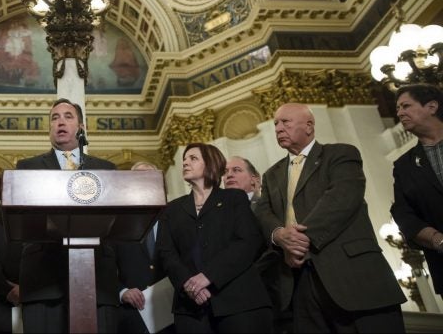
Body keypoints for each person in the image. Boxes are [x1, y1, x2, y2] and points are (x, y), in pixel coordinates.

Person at [254, 102, 406, 333]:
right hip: (299, 283)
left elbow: (341, 199)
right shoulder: (271, 175)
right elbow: (264, 212)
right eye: (275, 123)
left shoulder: (341, 154)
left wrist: (298, 241)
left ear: (309, 126)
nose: (278, 128)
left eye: (285, 122)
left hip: (353, 277)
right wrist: (278, 234)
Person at [15, 98, 118, 333]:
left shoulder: (106, 169)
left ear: (81, 127)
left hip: (97, 280)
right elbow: (20, 221)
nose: (60, 122)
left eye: (68, 117)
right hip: (43, 281)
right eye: (55, 118)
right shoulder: (27, 168)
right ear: (50, 128)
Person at [158, 143, 272, 333]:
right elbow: (166, 252)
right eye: (184, 159)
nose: (185, 163)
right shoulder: (172, 209)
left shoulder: (234, 198)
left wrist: (209, 276)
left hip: (240, 302)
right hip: (191, 309)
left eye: (193, 158)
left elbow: (248, 241)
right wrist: (189, 283)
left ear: (210, 163)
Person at [224, 155, 293, 333]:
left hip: (272, 296)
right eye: (225, 172)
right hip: (236, 305)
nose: (228, 175)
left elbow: (275, 248)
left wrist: (240, 275)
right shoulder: (220, 215)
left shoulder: (268, 205)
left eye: (236, 170)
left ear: (255, 180)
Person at [391, 83, 443, 298]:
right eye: (397, 109)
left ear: (431, 107)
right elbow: (403, 213)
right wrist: (437, 239)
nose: (400, 113)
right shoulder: (404, 165)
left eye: (406, 106)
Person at [114, 161, 174, 334]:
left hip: (175, 310)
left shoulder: (175, 215)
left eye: (150, 177)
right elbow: (105, 265)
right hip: (135, 315)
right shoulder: (118, 222)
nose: (145, 181)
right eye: (139, 178)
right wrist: (122, 291)